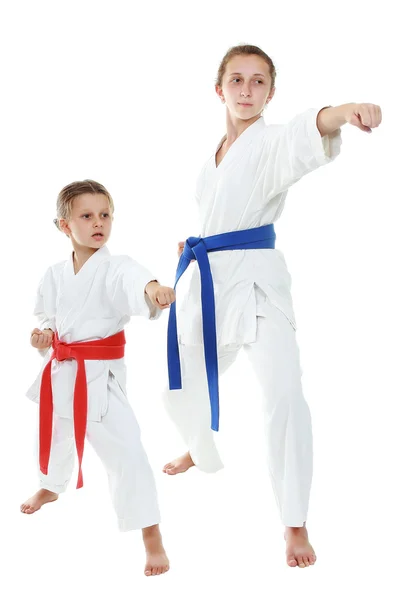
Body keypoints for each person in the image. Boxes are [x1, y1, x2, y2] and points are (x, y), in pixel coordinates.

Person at [163, 44, 382, 568]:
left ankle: (294, 522)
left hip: (259, 290)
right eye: (236, 80)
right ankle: (199, 445)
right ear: (219, 89)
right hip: (210, 280)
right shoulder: (211, 157)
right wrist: (196, 243)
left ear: (270, 92)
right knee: (182, 377)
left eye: (258, 82)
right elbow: (220, 215)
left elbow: (310, 129)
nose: (246, 90)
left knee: (284, 396)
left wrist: (344, 112)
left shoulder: (272, 142)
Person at [21, 179, 174, 577]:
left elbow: (134, 279)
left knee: (128, 453)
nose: (98, 223)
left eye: (105, 214)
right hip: (61, 371)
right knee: (56, 435)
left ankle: (151, 534)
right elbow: (47, 323)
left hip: (99, 377)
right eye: (86, 216)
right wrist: (43, 337)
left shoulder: (115, 266)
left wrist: (153, 289)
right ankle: (52, 485)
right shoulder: (54, 275)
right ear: (64, 226)